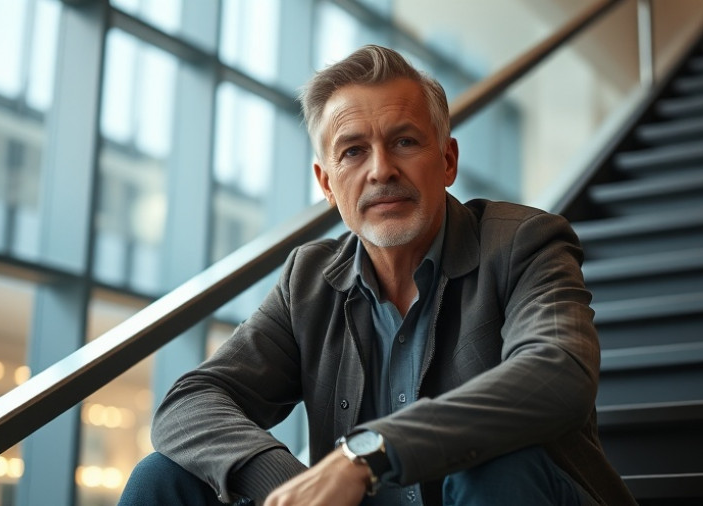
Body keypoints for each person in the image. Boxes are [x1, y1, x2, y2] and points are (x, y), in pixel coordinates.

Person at [119, 44, 636, 506]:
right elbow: (191, 403)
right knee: (164, 476)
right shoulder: (309, 279)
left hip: (513, 494)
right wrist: (289, 483)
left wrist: (367, 456)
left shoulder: (523, 242)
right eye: (353, 151)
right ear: (327, 183)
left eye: (405, 142)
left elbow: (558, 373)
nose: (381, 169)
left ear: (447, 160)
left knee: (493, 464)